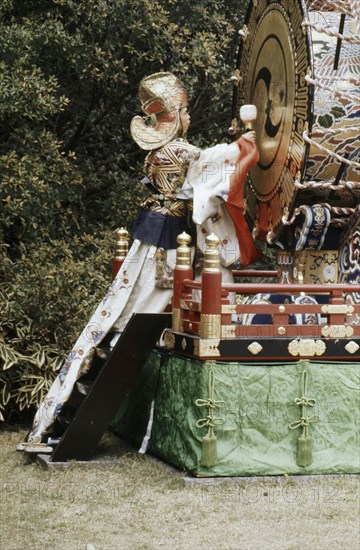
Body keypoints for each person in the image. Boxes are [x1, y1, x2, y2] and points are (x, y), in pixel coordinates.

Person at [21, 72, 261, 448]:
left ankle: (68, 402)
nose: (189, 117)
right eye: (184, 110)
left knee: (127, 304)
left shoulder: (159, 153)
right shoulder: (179, 152)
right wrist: (247, 142)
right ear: (176, 114)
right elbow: (217, 161)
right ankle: (84, 394)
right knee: (138, 310)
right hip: (166, 244)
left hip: (155, 238)